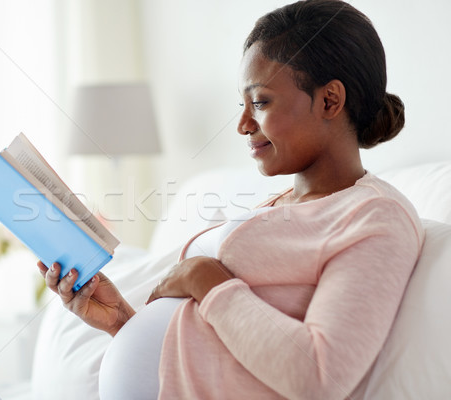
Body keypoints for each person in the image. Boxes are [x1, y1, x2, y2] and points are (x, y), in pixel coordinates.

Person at [37, 1, 425, 398]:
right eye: (242, 105)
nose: (242, 125)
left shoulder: (376, 218)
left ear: (329, 101)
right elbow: (220, 350)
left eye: (259, 102)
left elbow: (318, 377)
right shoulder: (282, 204)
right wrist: (122, 322)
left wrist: (204, 278)